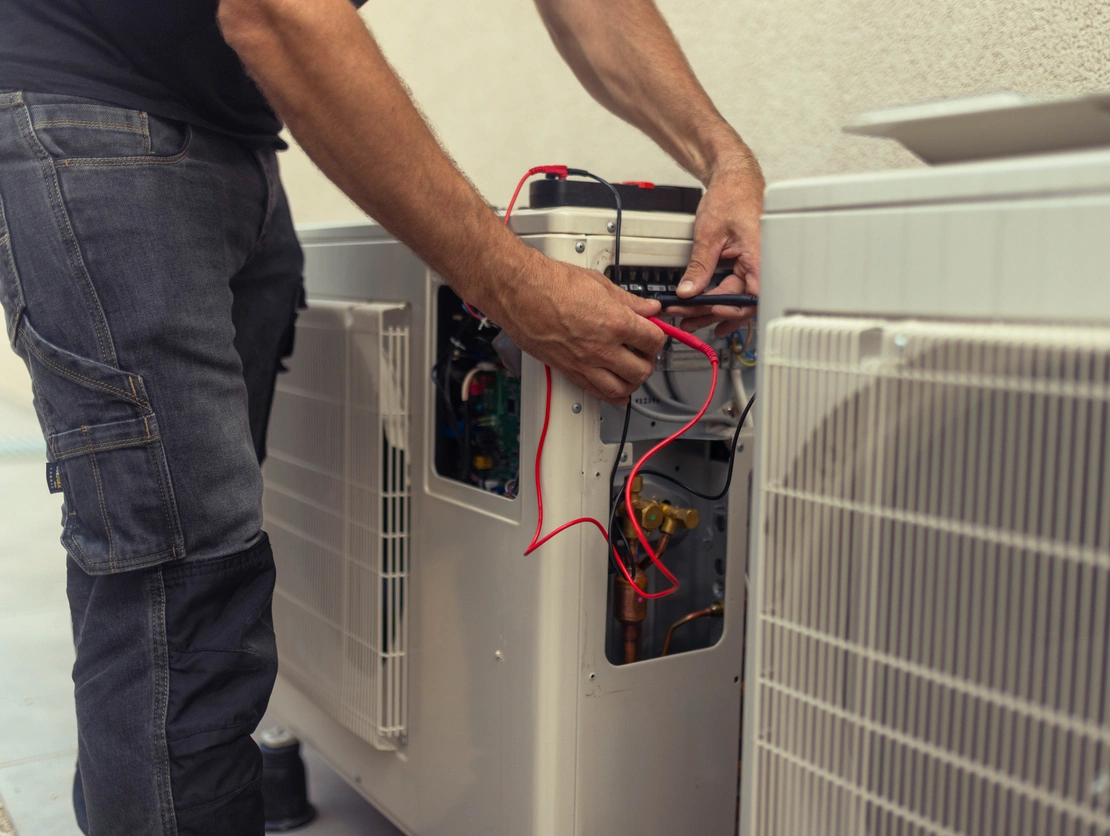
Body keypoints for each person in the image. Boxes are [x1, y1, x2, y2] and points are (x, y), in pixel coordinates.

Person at [0, 0, 763, 832]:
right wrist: (514, 288)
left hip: (236, 138)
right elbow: (277, 11)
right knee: (178, 571)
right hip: (86, 116)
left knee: (190, 555)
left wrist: (724, 157)